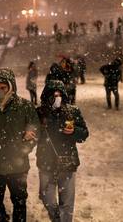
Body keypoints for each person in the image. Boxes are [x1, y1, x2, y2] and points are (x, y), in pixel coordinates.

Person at [0, 68, 39, 222]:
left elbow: (35, 129)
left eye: (3, 88)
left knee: (19, 201)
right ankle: (2, 219)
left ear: (11, 87)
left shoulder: (24, 106)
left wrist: (25, 148)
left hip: (17, 166)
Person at [36, 80, 89, 222]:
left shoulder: (72, 111)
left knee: (67, 204)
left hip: (67, 163)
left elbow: (84, 134)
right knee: (47, 199)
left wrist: (74, 131)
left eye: (59, 94)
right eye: (53, 94)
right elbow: (32, 134)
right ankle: (57, 219)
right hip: (46, 163)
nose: (57, 97)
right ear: (46, 95)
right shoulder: (39, 113)